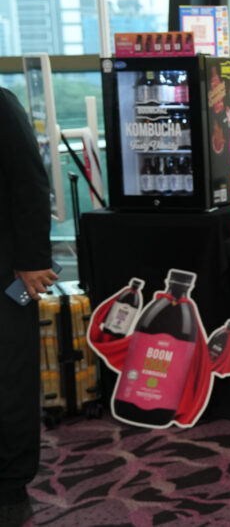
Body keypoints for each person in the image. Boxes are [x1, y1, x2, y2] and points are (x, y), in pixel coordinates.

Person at [0, 87, 58, 527]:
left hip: (6, 271)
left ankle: (10, 486)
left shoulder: (0, 104)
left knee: (8, 378)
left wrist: (34, 260)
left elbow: (30, 183)